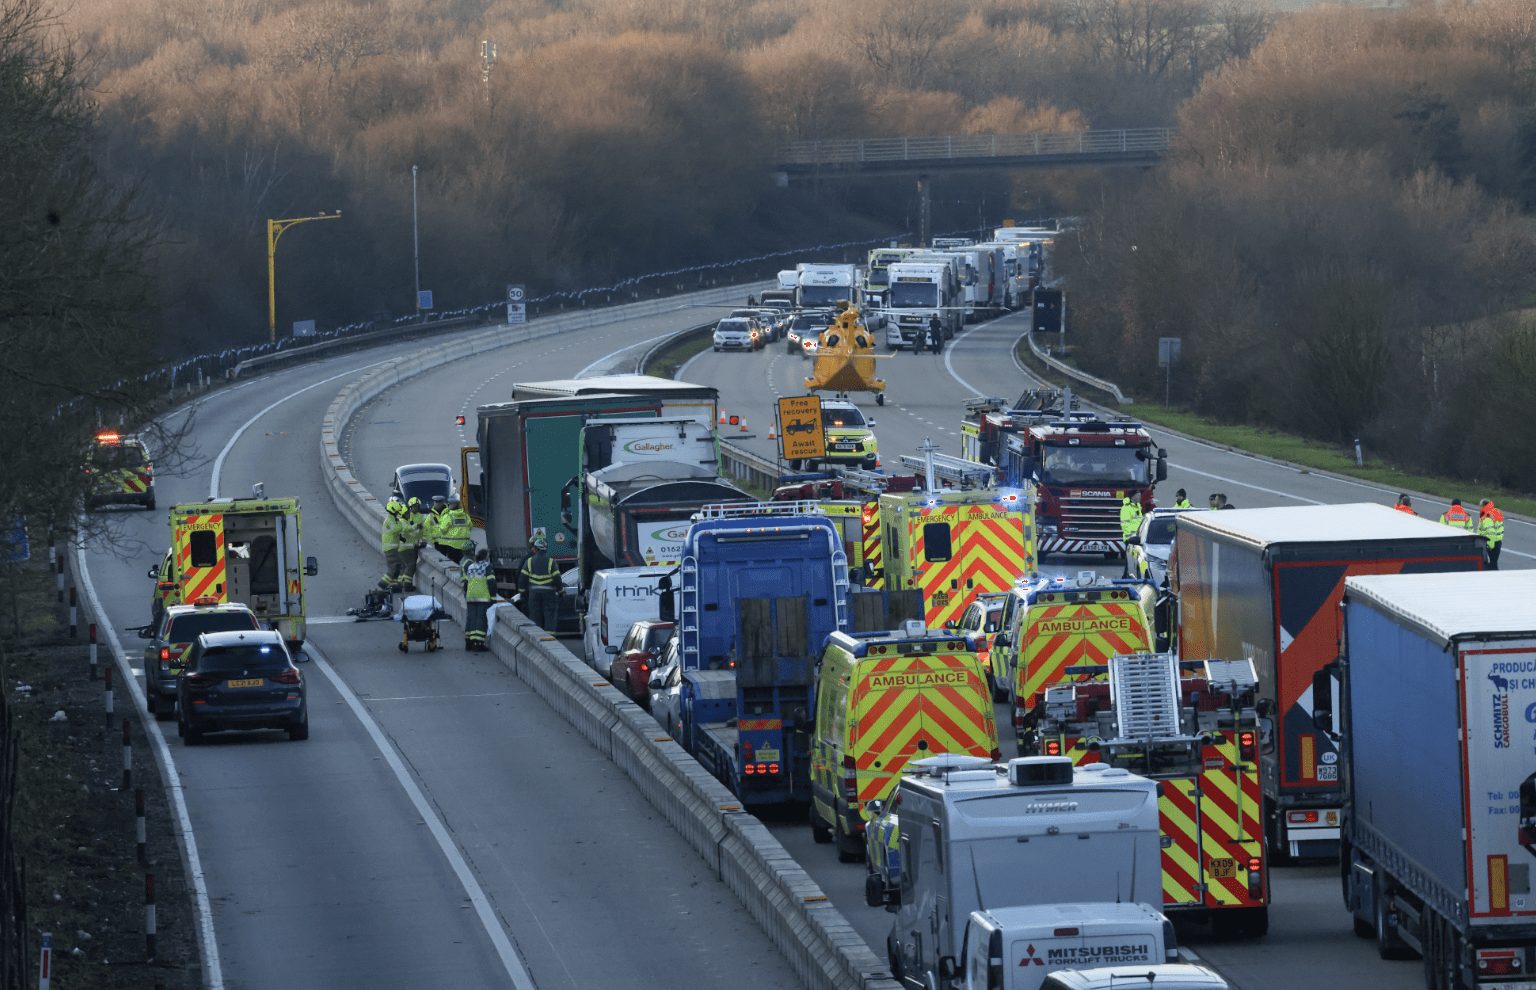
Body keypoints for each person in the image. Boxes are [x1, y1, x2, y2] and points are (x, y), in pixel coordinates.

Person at [519, 536, 562, 631]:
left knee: (535, 616)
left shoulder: (529, 561)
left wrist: (522, 593)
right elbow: (557, 578)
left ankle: (537, 638)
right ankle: (550, 639)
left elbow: (522, 579)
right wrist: (561, 591)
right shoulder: (551, 562)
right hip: (549, 594)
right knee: (549, 616)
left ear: (536, 549)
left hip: (534, 594)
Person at [463, 547, 495, 650]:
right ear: (486, 557)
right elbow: (491, 583)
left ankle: (469, 641)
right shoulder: (487, 567)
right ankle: (478, 643)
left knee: (471, 618)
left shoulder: (471, 566)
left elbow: (466, 583)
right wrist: (493, 598)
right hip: (482, 597)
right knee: (481, 619)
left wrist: (466, 594)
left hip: (470, 596)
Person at [395, 497, 425, 590]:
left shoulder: (403, 521)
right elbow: (408, 530)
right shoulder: (403, 522)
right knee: (410, 566)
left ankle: (400, 584)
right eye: (407, 513)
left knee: (404, 567)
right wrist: (417, 526)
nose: (409, 514)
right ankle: (407, 585)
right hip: (406, 548)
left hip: (403, 547)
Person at [379, 497, 407, 590]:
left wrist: (401, 538)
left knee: (395, 567)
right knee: (399, 566)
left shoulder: (392, 519)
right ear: (393, 511)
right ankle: (385, 584)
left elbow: (394, 533)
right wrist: (402, 523)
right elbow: (396, 529)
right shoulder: (390, 520)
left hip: (391, 547)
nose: (398, 514)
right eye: (397, 512)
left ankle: (393, 585)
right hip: (390, 548)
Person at [1480, 498, 1505, 570]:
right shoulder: (1496, 512)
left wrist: (1490, 545)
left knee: (1490, 565)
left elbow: (1491, 532)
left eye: (1481, 506)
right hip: (1498, 542)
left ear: (1484, 506)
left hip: (1490, 543)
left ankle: (1494, 579)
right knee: (1494, 563)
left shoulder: (1487, 516)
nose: (1480, 508)